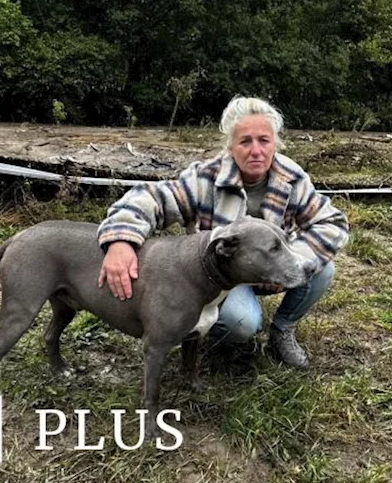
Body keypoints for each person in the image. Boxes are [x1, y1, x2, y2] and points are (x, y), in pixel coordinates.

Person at [95, 96, 349, 368]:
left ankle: (282, 330)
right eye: (245, 141)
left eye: (264, 140)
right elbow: (151, 198)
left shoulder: (293, 178)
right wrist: (120, 239)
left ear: (275, 143)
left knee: (323, 269)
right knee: (242, 324)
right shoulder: (206, 177)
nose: (256, 150)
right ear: (230, 146)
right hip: (223, 279)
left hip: (272, 269)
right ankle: (201, 328)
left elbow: (332, 223)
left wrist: (290, 256)